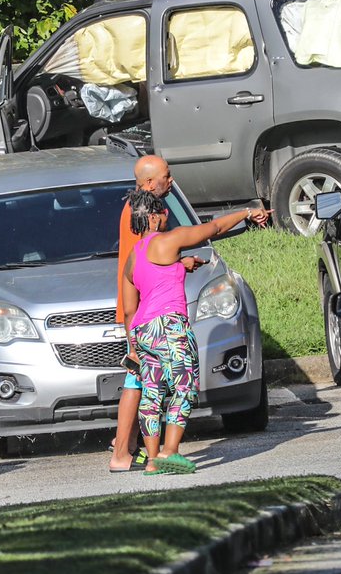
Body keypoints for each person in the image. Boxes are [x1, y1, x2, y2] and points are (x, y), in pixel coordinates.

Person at [121, 191, 269, 474]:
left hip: (142, 331)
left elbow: (130, 310)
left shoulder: (133, 257)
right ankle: (171, 451)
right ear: (152, 217)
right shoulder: (167, 240)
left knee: (152, 393)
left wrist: (133, 346)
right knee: (184, 387)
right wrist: (246, 213)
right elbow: (212, 229)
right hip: (169, 325)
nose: (167, 217)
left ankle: (153, 460)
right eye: (163, 213)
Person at [109, 155, 200, 472]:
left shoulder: (139, 207)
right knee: (139, 381)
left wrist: (179, 265)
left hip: (140, 309)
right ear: (149, 183)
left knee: (143, 382)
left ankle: (131, 448)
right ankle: (122, 451)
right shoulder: (142, 212)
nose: (171, 180)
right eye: (166, 176)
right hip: (144, 311)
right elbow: (146, 260)